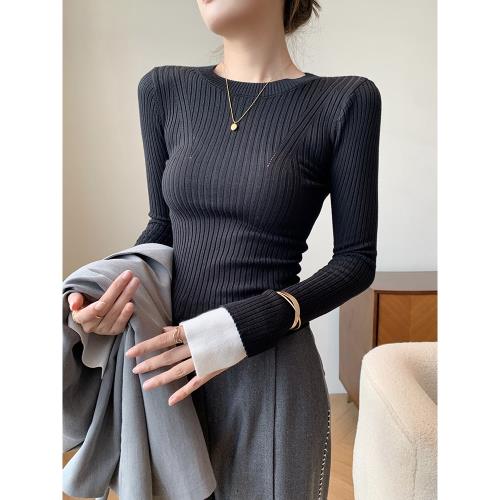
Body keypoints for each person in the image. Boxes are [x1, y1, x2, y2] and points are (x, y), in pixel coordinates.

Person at [68, 0, 382, 498]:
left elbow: (356, 261)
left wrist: (241, 327)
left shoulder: (345, 100)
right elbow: (163, 227)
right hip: (167, 368)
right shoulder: (163, 89)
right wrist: (108, 297)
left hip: (269, 373)